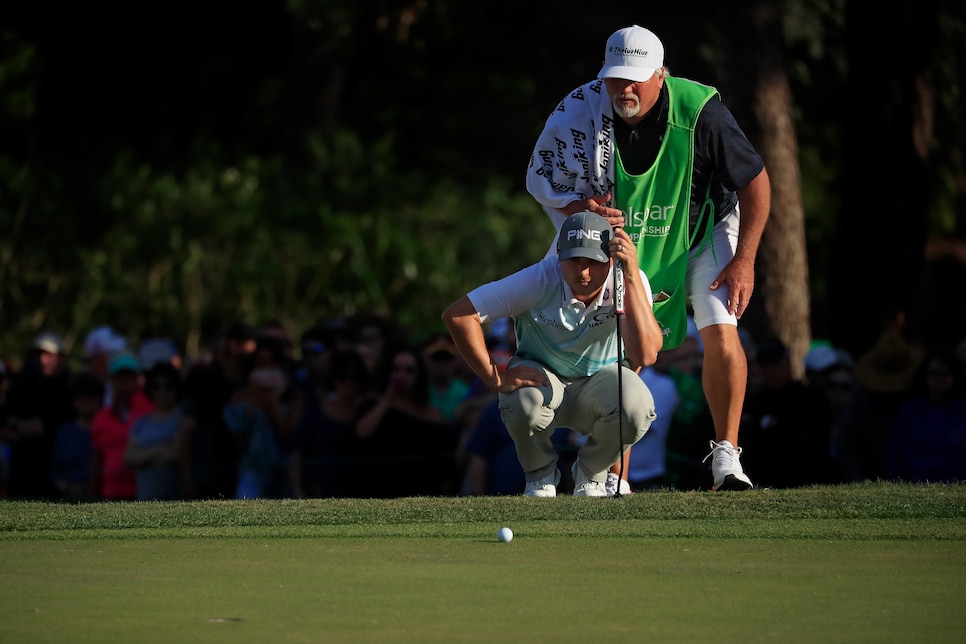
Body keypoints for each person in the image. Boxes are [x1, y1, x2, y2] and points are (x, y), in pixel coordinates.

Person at [525, 25, 770, 491]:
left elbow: (755, 182)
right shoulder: (581, 112)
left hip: (704, 231)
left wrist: (746, 260)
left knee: (719, 325)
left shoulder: (702, 113)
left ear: (662, 74)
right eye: (616, 77)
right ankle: (612, 476)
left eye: (637, 77)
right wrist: (583, 209)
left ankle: (727, 458)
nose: (625, 89)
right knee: (624, 346)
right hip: (628, 236)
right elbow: (547, 181)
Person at [442, 211, 661, 497]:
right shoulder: (538, 278)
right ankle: (540, 475)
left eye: (592, 262)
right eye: (573, 261)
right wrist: (496, 379)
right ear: (559, 256)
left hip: (600, 382)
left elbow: (646, 355)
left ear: (610, 258)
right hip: (543, 378)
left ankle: (591, 472)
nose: (583, 272)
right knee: (522, 402)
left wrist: (631, 274)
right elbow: (459, 316)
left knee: (637, 406)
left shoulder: (629, 279)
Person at [352, 344, 457, 498]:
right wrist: (387, 398)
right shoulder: (373, 404)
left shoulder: (432, 414)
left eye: (409, 370)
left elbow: (445, 463)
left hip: (422, 494)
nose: (402, 375)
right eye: (396, 369)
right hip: (377, 490)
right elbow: (361, 433)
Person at [1, 332, 75, 499]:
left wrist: (16, 426)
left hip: (56, 474)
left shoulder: (67, 390)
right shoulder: (19, 387)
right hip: (20, 471)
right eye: (41, 355)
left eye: (51, 355)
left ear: (62, 358)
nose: (44, 360)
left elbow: (46, 427)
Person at [885, 351, 966, 483]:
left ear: (955, 375)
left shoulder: (963, 410)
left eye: (946, 372)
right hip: (914, 485)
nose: (939, 377)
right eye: (934, 372)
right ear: (925, 375)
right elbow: (894, 455)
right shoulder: (909, 411)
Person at [90, 351, 154, 500]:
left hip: (145, 493)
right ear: (112, 380)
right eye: (119, 376)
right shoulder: (101, 417)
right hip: (110, 493)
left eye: (129, 376)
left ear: (137, 379)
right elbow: (96, 459)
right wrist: (92, 495)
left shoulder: (150, 410)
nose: (124, 381)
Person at [124, 363, 185, 500]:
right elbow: (128, 457)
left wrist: (143, 457)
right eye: (156, 387)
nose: (162, 391)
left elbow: (177, 453)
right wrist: (160, 450)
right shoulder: (141, 422)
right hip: (144, 500)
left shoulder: (182, 419)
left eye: (168, 386)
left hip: (175, 500)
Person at [49, 372, 105, 501]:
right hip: (68, 498)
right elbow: (55, 472)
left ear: (99, 398)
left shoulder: (107, 429)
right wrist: (68, 487)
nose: (85, 401)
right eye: (80, 396)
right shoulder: (65, 431)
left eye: (91, 395)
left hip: (102, 498)